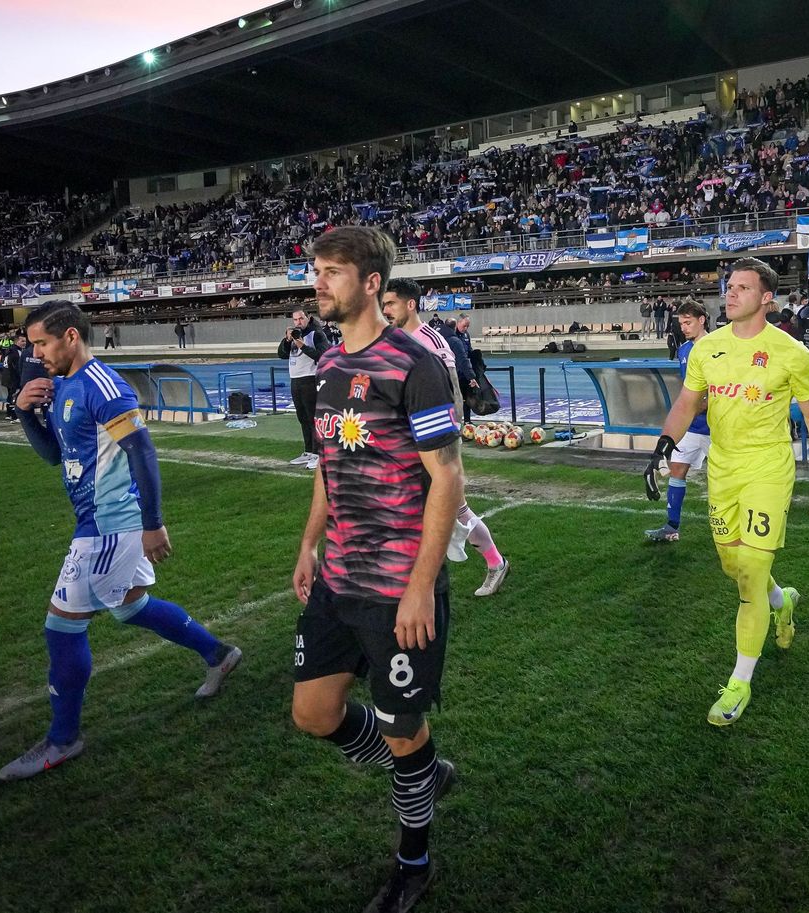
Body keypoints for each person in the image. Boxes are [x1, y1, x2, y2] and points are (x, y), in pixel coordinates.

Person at [290, 227, 461, 913]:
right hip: (339, 577)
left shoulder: (415, 363)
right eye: (316, 271)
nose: (319, 284)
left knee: (399, 724)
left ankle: (412, 861)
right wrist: (308, 544)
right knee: (313, 713)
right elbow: (329, 470)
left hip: (398, 588)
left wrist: (422, 583)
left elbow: (447, 479)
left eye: (332, 272)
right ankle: (420, 768)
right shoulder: (330, 367)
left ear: (370, 284)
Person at [0, 302, 243, 781]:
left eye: (42, 343)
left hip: (109, 524)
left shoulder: (102, 385)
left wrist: (153, 521)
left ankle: (63, 738)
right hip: (96, 520)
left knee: (61, 628)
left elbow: (142, 450)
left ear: (71, 336)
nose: (36, 353)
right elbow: (54, 455)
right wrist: (25, 411)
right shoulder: (62, 385)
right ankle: (219, 654)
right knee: (131, 607)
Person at [648, 257, 809, 728]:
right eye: (728, 286)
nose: (730, 294)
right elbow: (686, 403)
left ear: (765, 298)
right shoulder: (706, 348)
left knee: (751, 574)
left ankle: (740, 681)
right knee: (733, 567)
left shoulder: (791, 351)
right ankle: (784, 600)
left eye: (741, 287)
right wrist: (661, 446)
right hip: (723, 469)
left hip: (767, 470)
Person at [382, 279, 510, 597]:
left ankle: (496, 563)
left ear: (411, 304)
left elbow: (450, 395)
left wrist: (446, 447)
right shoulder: (394, 339)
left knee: (456, 511)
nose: (384, 310)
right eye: (383, 305)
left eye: (391, 304)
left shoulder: (430, 341)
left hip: (433, 442)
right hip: (407, 439)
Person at [645, 300, 714, 543]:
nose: (683, 327)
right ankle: (671, 527)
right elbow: (689, 390)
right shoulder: (684, 350)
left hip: (717, 428)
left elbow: (715, 391)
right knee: (677, 471)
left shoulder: (718, 348)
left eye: (688, 322)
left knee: (723, 482)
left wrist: (693, 407)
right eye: (681, 323)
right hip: (692, 427)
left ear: (702, 320)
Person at [279, 309, 327, 469]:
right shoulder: (293, 335)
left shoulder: (316, 334)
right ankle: (308, 451)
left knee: (314, 419)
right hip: (295, 380)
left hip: (310, 379)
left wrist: (303, 346)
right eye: (295, 319)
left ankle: (318, 453)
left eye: (301, 318)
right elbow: (281, 354)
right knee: (303, 418)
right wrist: (287, 341)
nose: (298, 322)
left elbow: (323, 356)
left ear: (308, 318)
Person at [2, 333, 25, 422]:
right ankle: (14, 416)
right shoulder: (16, 351)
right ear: (16, 341)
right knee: (14, 395)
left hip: (7, 377)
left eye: (25, 341)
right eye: (22, 341)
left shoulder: (9, 350)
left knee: (10, 395)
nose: (24, 343)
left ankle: (8, 414)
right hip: (13, 378)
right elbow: (16, 367)